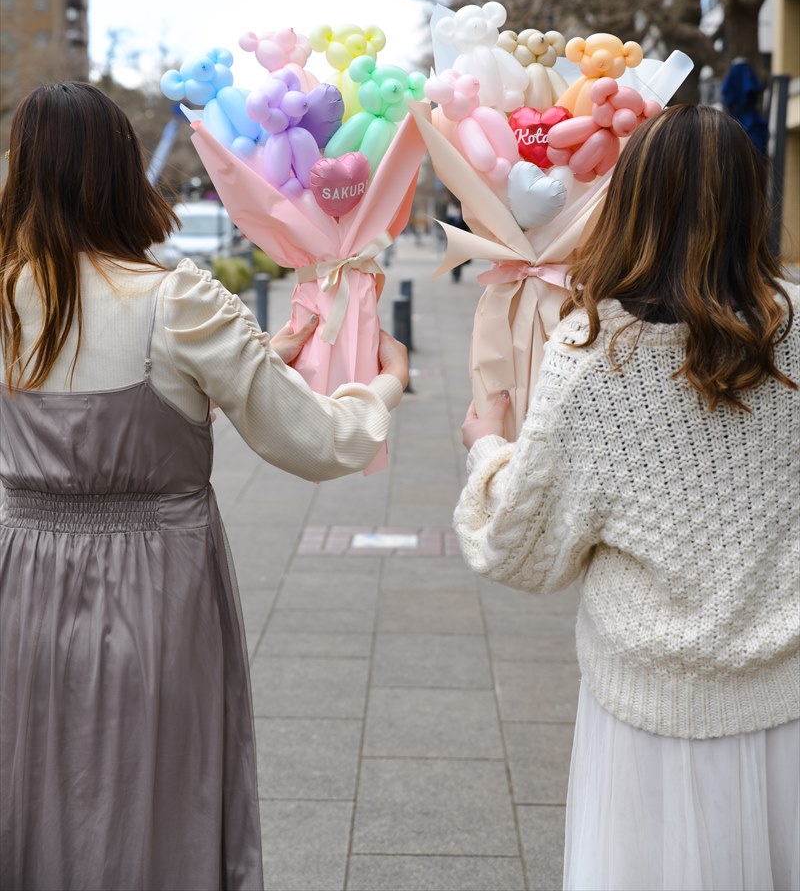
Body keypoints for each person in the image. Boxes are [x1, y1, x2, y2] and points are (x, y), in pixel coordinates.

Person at [0, 82, 408, 891]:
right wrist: (383, 389)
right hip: (154, 585)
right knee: (155, 794)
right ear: (123, 175)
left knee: (33, 784)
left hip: (21, 584)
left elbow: (86, 432)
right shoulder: (177, 299)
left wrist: (255, 360)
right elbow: (316, 441)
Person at [455, 105, 799, 891]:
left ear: (629, 200)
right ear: (755, 200)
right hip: (789, 695)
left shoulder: (590, 361)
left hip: (649, 711)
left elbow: (523, 548)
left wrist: (486, 447)